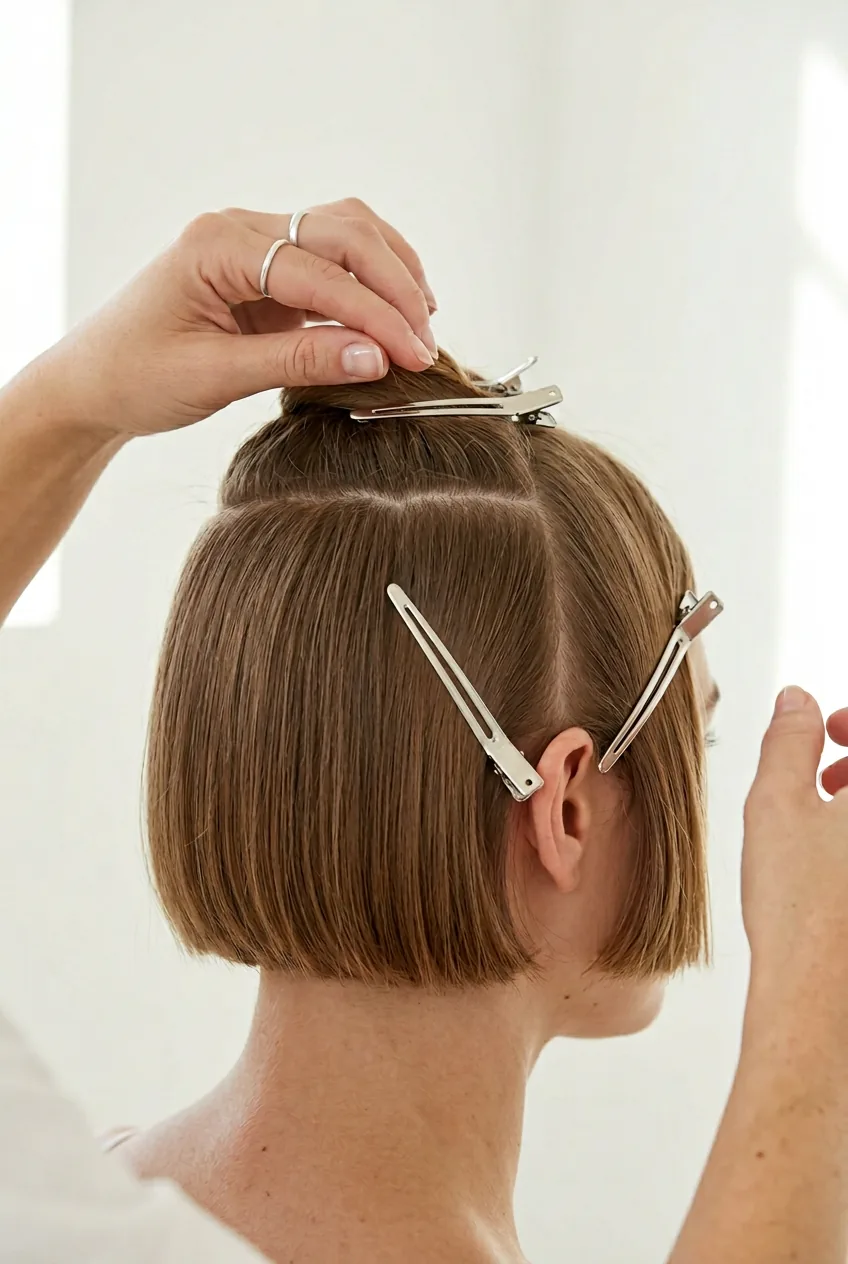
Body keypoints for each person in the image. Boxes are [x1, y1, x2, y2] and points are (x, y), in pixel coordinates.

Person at [1, 200, 848, 1264]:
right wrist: (816, 990)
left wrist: (74, 399)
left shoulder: (64, 1193)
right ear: (566, 804)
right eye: (700, 743)